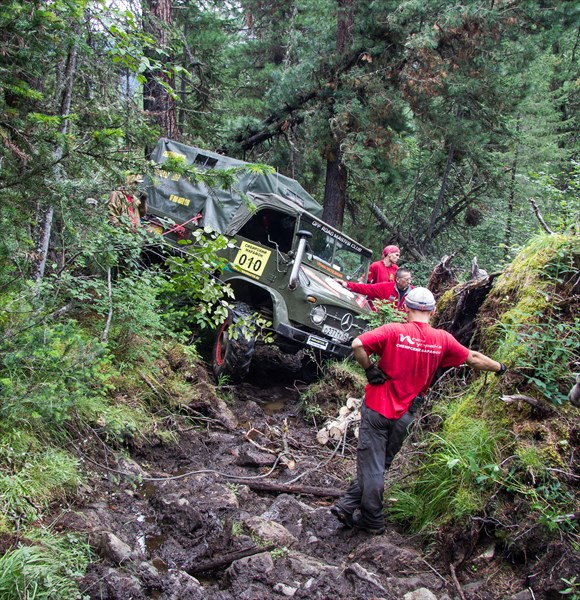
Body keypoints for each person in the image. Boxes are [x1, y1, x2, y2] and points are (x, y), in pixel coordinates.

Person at [330, 287, 507, 535]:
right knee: (379, 465)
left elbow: (358, 343)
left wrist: (369, 369)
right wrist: (500, 367)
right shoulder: (442, 339)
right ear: (433, 311)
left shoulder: (394, 330)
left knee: (372, 466)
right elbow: (474, 358)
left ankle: (372, 519)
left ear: (405, 308)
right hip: (405, 414)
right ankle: (347, 505)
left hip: (378, 407)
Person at [340, 268, 413, 311]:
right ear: (397, 279)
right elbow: (366, 288)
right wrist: (346, 284)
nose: (409, 282)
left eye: (410, 279)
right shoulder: (385, 287)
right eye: (407, 279)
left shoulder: (414, 293)